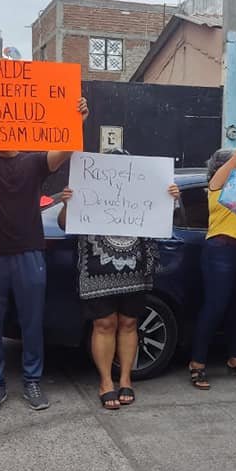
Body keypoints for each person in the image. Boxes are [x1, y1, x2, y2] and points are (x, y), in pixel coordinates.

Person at [0, 97, 89, 415]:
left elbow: (64, 151)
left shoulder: (34, 161)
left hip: (29, 253)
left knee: (32, 322)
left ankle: (31, 381)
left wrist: (77, 120)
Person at [58, 168, 180, 409]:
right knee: (104, 324)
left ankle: (125, 379)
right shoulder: (88, 187)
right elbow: (64, 224)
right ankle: (105, 382)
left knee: (129, 323)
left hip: (135, 267)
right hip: (97, 266)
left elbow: (164, 219)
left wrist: (171, 199)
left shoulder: (142, 190)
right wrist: (66, 204)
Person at [188, 142, 236, 390]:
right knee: (215, 307)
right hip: (221, 250)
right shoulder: (218, 184)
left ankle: (235, 359)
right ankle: (197, 363)